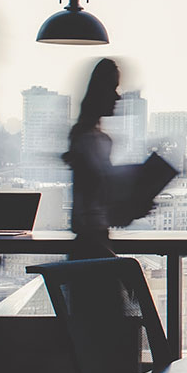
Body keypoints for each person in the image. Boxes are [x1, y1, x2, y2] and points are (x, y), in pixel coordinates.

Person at [65, 58, 152, 260]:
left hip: (90, 245)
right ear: (99, 92)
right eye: (112, 88)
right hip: (94, 246)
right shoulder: (92, 140)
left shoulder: (86, 137)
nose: (117, 97)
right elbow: (98, 201)